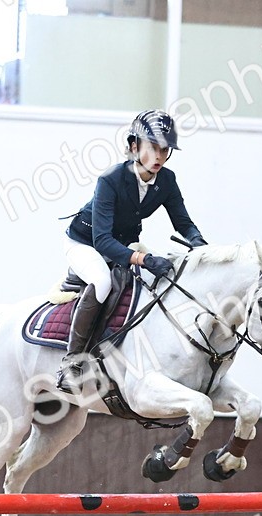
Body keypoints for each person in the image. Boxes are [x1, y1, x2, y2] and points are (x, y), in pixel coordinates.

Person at [57, 109, 207, 390]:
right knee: (102, 281)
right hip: (85, 243)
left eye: (165, 150)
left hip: (122, 244)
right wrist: (144, 258)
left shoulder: (167, 180)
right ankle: (71, 362)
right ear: (134, 146)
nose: (159, 156)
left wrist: (199, 244)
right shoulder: (110, 179)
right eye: (153, 148)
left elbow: (183, 223)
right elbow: (102, 241)